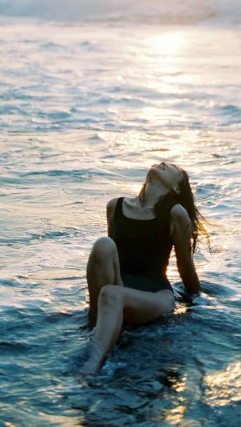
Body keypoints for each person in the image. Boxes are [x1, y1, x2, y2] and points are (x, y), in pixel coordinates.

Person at [80, 161, 208, 376]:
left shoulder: (176, 213)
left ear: (177, 188)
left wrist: (201, 302)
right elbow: (113, 261)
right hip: (119, 286)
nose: (163, 162)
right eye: (160, 162)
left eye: (173, 167)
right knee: (103, 245)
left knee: (112, 294)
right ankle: (95, 321)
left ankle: (91, 365)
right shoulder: (115, 206)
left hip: (155, 294)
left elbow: (185, 267)